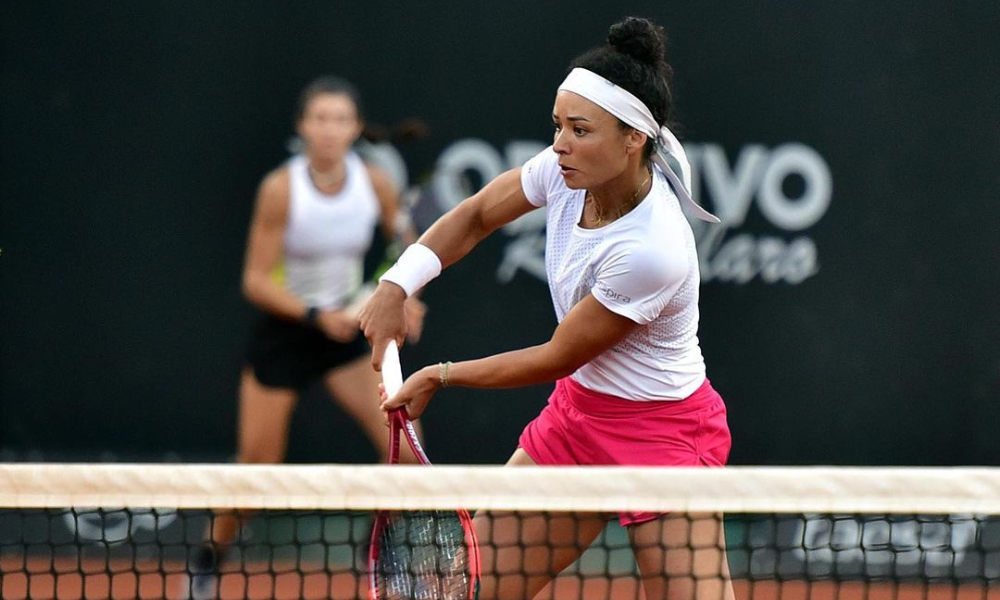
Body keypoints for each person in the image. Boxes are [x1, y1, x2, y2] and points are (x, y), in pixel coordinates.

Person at [361, 17, 735, 600]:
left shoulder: (653, 251)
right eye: (558, 125)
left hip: (666, 439)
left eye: (580, 129)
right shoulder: (566, 170)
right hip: (577, 424)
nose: (560, 143)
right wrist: (395, 284)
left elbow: (558, 355)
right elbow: (478, 214)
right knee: (474, 593)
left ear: (634, 137)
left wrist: (441, 374)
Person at [187, 76, 425, 599]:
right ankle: (207, 562)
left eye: (340, 120)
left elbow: (409, 247)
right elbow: (255, 280)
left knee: (409, 455)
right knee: (256, 475)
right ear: (302, 127)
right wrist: (317, 314)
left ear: (355, 129)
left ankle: (376, 551)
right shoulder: (280, 188)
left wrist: (405, 295)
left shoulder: (375, 184)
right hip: (288, 333)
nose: (329, 131)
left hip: (344, 336)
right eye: (319, 119)